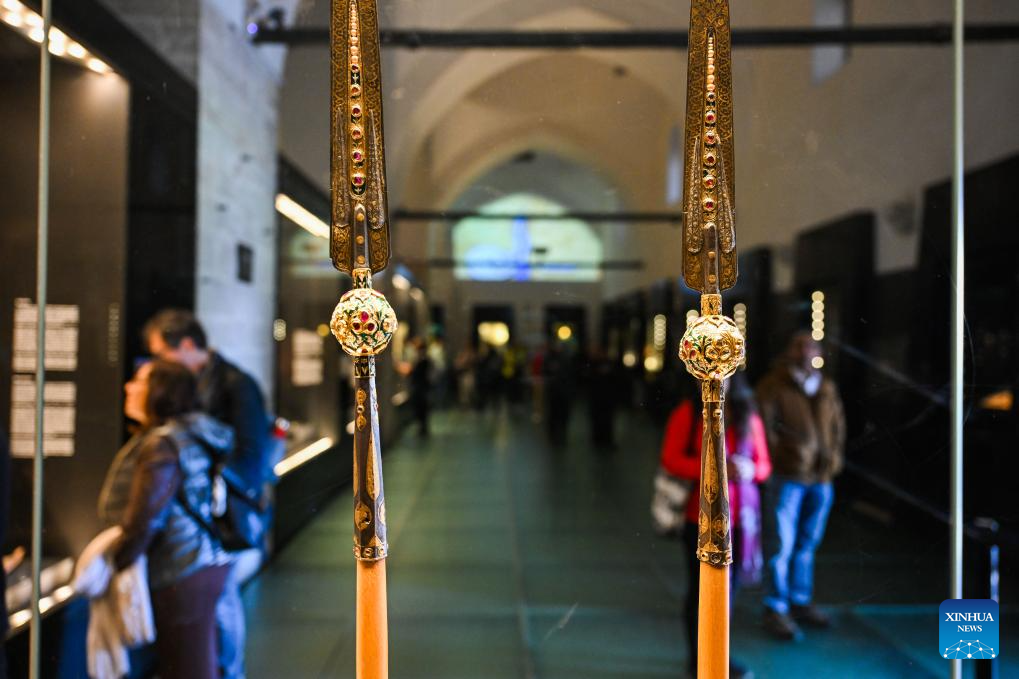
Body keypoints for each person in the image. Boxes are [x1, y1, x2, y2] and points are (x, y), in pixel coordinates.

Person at [145, 309, 273, 679]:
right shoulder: (205, 381)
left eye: (161, 353)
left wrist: (212, 485)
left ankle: (229, 672)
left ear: (186, 345)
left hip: (222, 516)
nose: (158, 364)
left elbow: (250, 455)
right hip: (205, 515)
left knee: (223, 601)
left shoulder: (236, 384)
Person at [100, 360, 233, 679]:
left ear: (161, 392)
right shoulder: (188, 432)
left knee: (190, 668)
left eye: (141, 382)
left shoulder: (163, 442)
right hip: (199, 561)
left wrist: (116, 558)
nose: (128, 387)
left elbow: (147, 516)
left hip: (180, 567)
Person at [660, 372, 771, 679]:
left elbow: (764, 464)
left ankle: (718, 658)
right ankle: (698, 660)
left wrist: (748, 469)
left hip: (739, 520)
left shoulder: (748, 413)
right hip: (700, 519)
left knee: (729, 594)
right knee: (700, 592)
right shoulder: (688, 413)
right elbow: (671, 459)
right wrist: (715, 468)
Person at [756, 332, 846, 640]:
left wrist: (832, 460)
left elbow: (837, 427)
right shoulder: (772, 386)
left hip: (821, 479)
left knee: (807, 543)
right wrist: (784, 458)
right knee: (780, 543)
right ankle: (775, 607)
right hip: (787, 477)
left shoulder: (826, 387)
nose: (806, 351)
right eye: (800, 346)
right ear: (790, 351)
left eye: (812, 346)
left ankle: (799, 600)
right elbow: (764, 430)